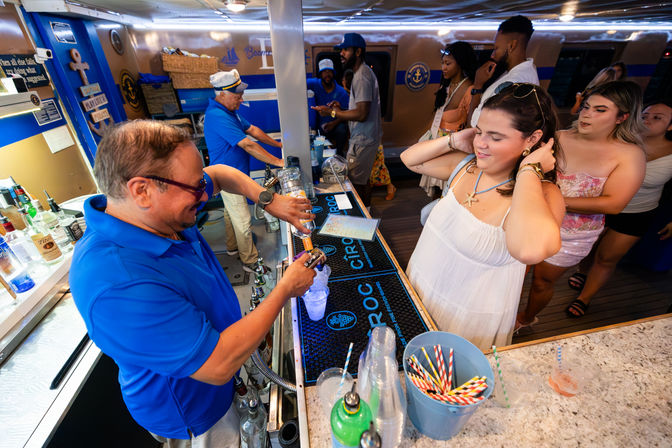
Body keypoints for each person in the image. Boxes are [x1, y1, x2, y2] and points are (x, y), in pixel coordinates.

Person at [69, 120, 316, 446]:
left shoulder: (157, 213)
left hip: (220, 381)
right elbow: (218, 364)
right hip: (193, 414)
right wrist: (285, 288)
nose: (203, 193)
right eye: (194, 187)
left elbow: (222, 174)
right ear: (141, 190)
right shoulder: (117, 284)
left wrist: (269, 200)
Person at [401, 83, 565, 350]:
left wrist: (528, 171)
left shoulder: (545, 195)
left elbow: (528, 250)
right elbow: (411, 160)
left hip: (466, 319)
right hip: (420, 287)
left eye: (495, 137)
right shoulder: (467, 166)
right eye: (479, 132)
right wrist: (454, 139)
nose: (481, 144)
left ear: (532, 139)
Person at [517, 81, 647, 329]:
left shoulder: (629, 154)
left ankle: (524, 320)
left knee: (542, 282)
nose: (587, 113)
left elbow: (614, 204)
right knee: (513, 274)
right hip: (531, 218)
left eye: (600, 110)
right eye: (587, 106)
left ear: (622, 117)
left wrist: (552, 199)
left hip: (572, 233)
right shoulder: (558, 137)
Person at [563, 101, 672, 317]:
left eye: (657, 117)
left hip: (637, 213)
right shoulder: (620, 142)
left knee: (607, 258)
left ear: (671, 126)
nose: (647, 120)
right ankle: (583, 271)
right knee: (589, 247)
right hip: (599, 204)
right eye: (644, 115)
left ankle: (584, 298)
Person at [204, 69, 283, 272]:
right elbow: (248, 144)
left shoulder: (230, 113)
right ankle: (250, 261)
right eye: (237, 96)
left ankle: (232, 248)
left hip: (236, 173)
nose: (241, 99)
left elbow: (253, 130)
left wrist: (279, 146)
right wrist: (278, 162)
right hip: (229, 178)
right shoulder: (216, 116)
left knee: (231, 215)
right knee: (243, 221)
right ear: (221, 94)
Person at [313, 32, 383, 207]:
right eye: (340, 50)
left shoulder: (362, 77)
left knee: (357, 182)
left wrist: (332, 113)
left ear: (358, 52)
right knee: (363, 178)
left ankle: (364, 218)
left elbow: (361, 114)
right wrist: (341, 109)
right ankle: (366, 213)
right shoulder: (361, 73)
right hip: (363, 137)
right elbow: (360, 108)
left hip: (363, 139)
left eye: (345, 50)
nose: (341, 54)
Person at [419, 41, 478, 197]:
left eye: (448, 64)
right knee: (433, 193)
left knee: (446, 193)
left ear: (460, 63)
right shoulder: (445, 86)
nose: (443, 68)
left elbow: (471, 126)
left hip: (453, 148)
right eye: (442, 63)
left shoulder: (470, 90)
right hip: (438, 143)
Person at [468, 15, 540, 128]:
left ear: (512, 45)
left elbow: (474, 126)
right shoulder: (526, 71)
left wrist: (477, 86)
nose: (492, 55)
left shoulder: (513, 82)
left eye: (496, 48)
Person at [307, 58, 350, 157]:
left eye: (330, 71)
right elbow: (298, 83)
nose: (327, 74)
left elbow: (347, 114)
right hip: (319, 127)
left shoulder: (341, 92)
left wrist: (333, 123)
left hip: (335, 125)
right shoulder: (314, 84)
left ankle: (339, 155)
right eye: (324, 71)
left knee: (342, 129)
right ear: (320, 73)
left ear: (333, 73)